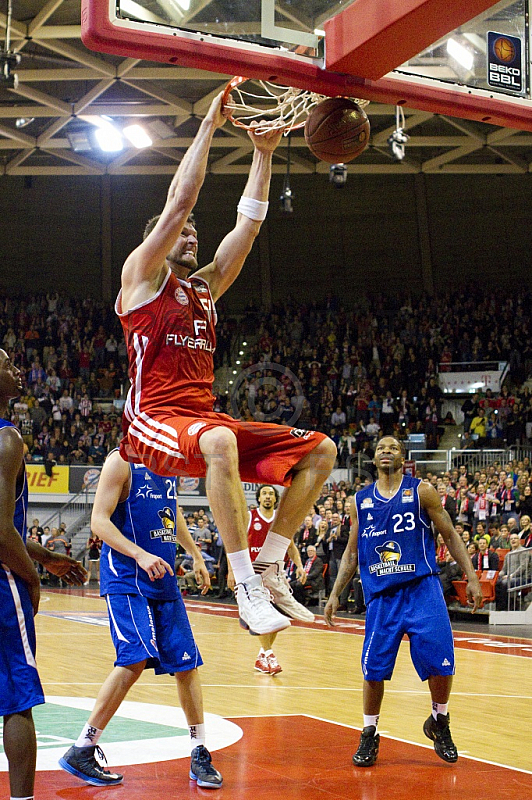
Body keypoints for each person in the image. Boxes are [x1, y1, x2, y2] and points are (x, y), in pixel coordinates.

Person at [115, 92, 337, 638]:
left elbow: (248, 229)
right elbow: (180, 201)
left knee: (321, 450)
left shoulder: (204, 289)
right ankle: (244, 588)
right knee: (219, 442)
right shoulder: (142, 279)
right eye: (182, 232)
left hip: (205, 421)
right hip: (153, 423)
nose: (190, 234)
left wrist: (262, 154)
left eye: (194, 234)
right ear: (159, 240)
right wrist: (209, 123)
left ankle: (269, 566)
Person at [59, 449, 223, 789]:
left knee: (186, 664)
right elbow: (99, 522)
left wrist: (195, 555)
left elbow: (171, 511)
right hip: (126, 578)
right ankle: (83, 747)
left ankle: (198, 748)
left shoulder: (169, 463)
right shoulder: (120, 460)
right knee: (134, 658)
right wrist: (140, 554)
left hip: (162, 578)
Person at [324, 436, 482, 768]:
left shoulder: (421, 491)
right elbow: (352, 552)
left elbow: (450, 534)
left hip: (423, 588)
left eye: (393, 447)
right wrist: (336, 592)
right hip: (382, 596)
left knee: (441, 659)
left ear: (402, 456)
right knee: (374, 670)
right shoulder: (360, 501)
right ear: (373, 458)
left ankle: (439, 720)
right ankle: (369, 732)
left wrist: (471, 575)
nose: (386, 451)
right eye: (381, 448)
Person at [0, 349, 86, 800]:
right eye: (6, 363)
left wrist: (44, 555)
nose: (17, 369)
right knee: (17, 699)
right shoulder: (7, 439)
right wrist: (33, 577)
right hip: (1, 586)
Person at [228, 484, 313, 676]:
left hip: (275, 577)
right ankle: (268, 654)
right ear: (258, 498)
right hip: (251, 577)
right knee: (262, 618)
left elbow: (290, 546)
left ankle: (262, 655)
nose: (267, 497)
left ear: (276, 499)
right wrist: (232, 570)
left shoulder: (280, 519)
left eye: (271, 494)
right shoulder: (250, 516)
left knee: (275, 619)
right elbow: (233, 540)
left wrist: (299, 565)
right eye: (264, 493)